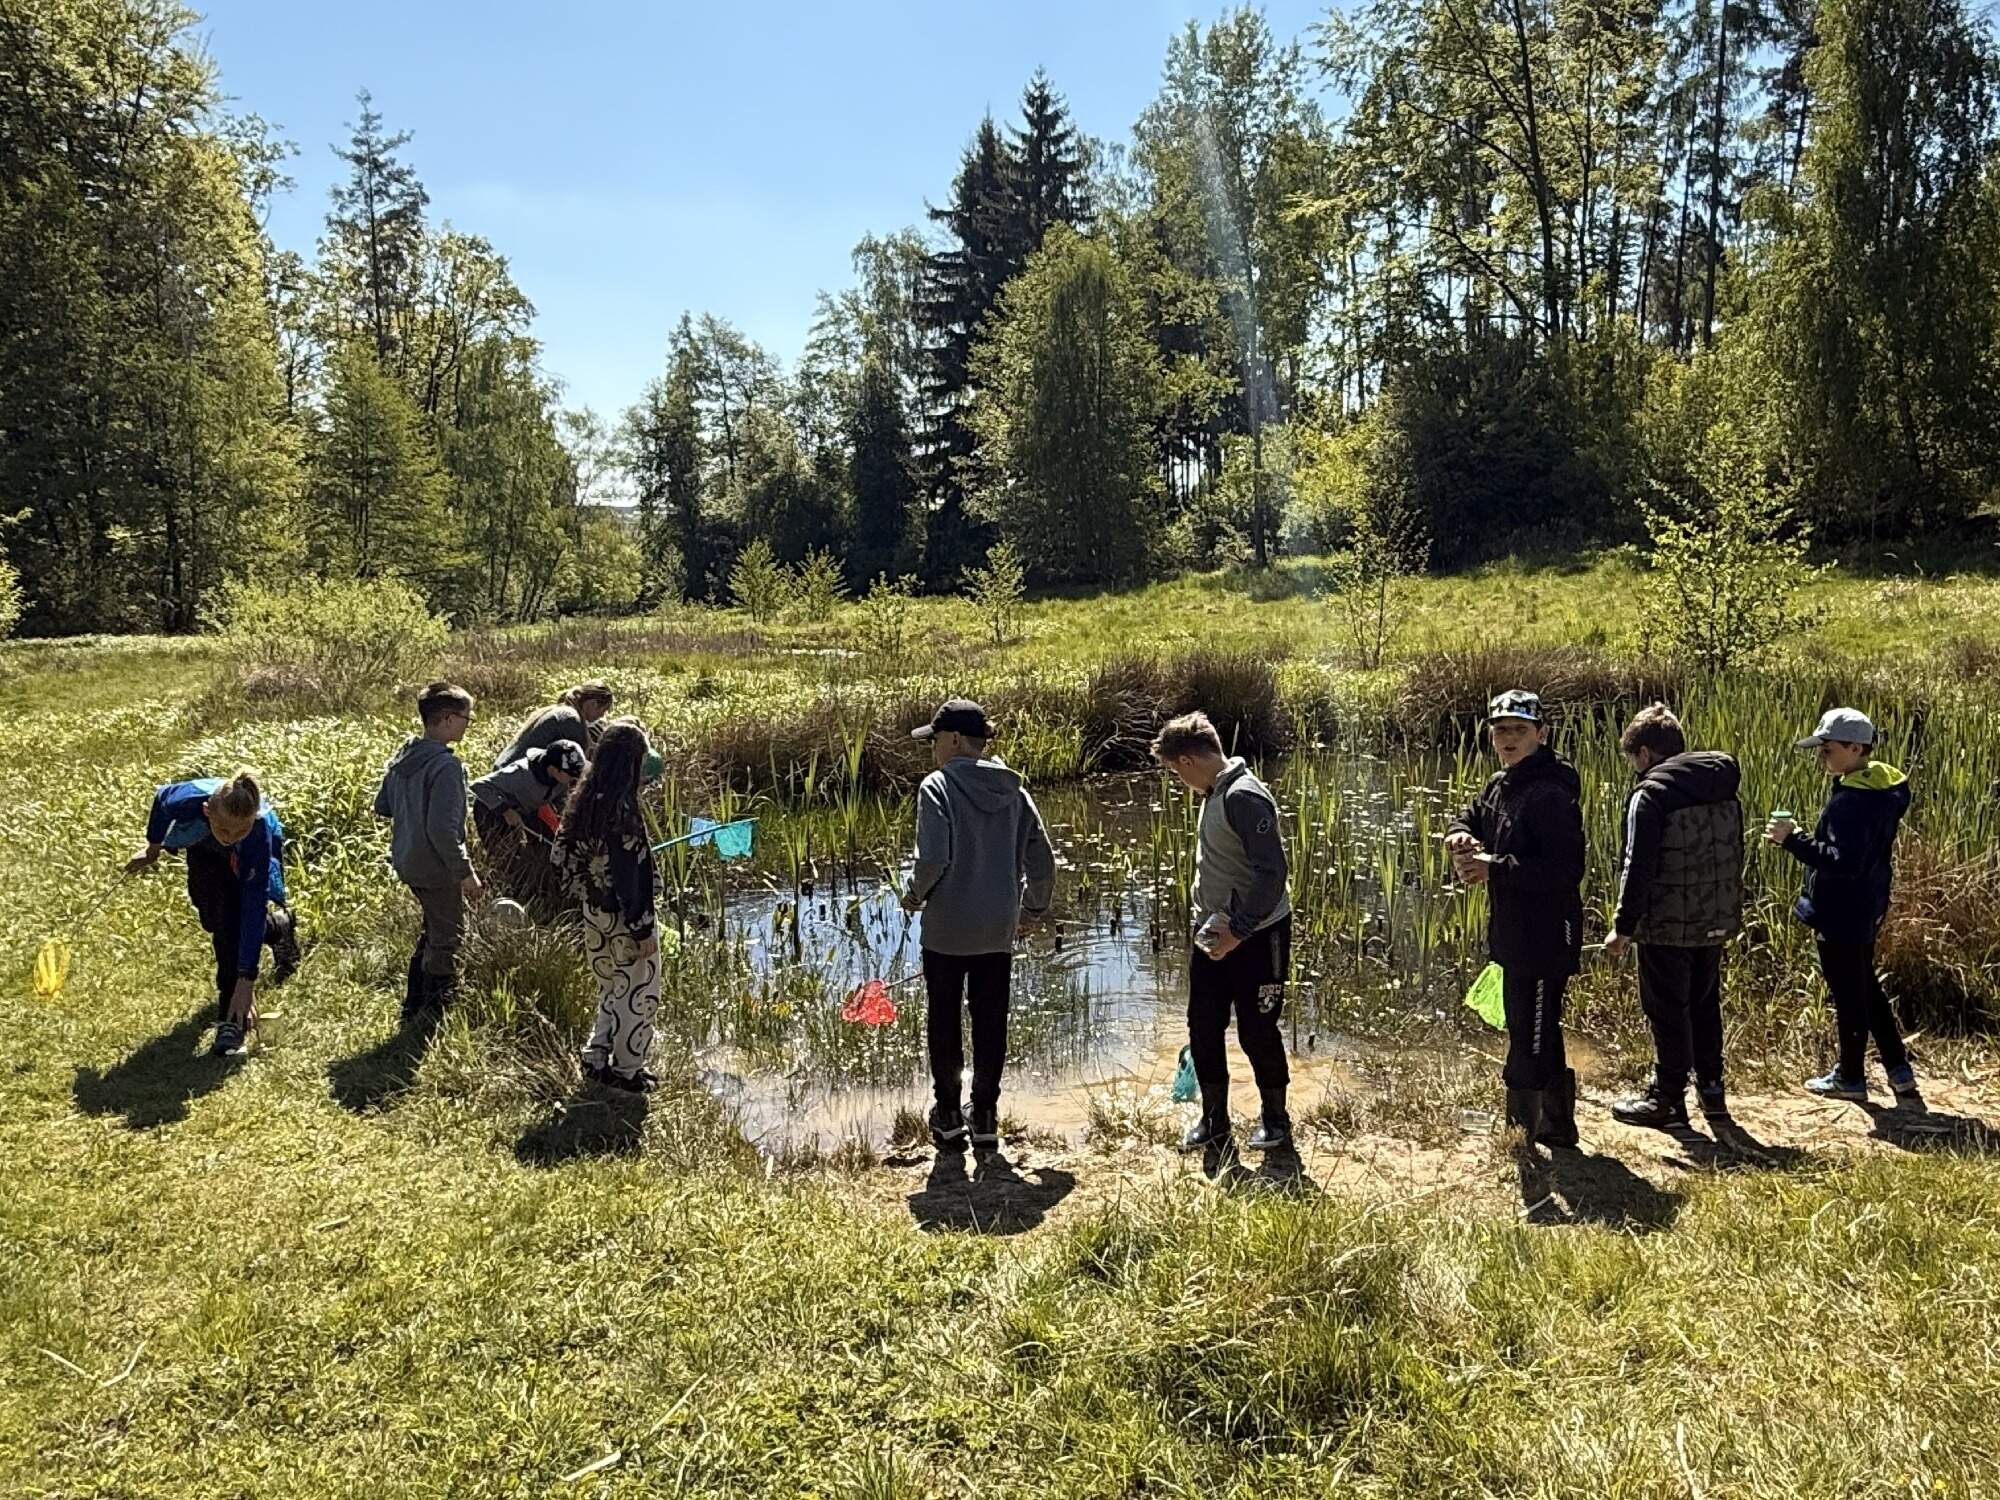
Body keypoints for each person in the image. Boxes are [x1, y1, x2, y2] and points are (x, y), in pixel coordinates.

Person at [901, 698, 1055, 1149]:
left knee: (944, 1019)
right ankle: (985, 1114)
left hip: (947, 929)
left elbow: (932, 858)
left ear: (952, 740)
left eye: (934, 741)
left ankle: (948, 1114)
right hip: (997, 931)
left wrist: (914, 895)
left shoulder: (937, 786)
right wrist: (1032, 911)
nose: (932, 751)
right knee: (991, 1021)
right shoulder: (1015, 792)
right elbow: (1042, 861)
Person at [1447, 690, 1586, 1154]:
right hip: (1512, 933)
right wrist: (1461, 834)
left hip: (1548, 935)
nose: (1507, 739)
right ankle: (1554, 1127)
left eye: (1519, 730)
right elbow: (1470, 814)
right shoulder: (1501, 783)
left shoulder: (1550, 793)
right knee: (1529, 1028)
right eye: (1500, 730)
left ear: (1541, 734)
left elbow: (1565, 872)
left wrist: (1494, 868)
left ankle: (1521, 1135)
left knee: (1532, 1033)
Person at [1153, 710, 1293, 1155]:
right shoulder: (1216, 791)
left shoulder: (1245, 797)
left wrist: (1239, 928)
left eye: (1177, 773)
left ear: (1190, 761)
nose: (1179, 781)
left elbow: (1272, 874)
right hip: (1214, 932)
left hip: (1256, 934)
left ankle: (1276, 1121)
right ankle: (1214, 1121)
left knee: (1257, 1030)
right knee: (1203, 1024)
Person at [1604, 704, 1745, 1130]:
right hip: (1714, 917)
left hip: (1665, 924)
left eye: (1633, 761)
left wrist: (1622, 928)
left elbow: (1638, 866)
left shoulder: (1650, 795)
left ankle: (1665, 1098)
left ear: (1645, 754)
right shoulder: (1720, 783)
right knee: (1704, 1005)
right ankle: (1712, 1089)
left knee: (1666, 1009)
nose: (1634, 769)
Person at [1766, 707, 1918, 1102]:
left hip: (1842, 910)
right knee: (1865, 986)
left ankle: (1851, 1077)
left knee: (1849, 993)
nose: (1822, 757)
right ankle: (1899, 1069)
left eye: (1828, 749)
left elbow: (1843, 861)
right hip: (1869, 902)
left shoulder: (1850, 802)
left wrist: (1793, 839)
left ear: (1855, 748)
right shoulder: (1883, 788)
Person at [125, 770, 300, 1056]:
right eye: (225, 830)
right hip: (203, 846)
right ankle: (278, 927)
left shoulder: (257, 832)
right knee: (213, 917)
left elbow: (253, 907)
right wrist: (153, 848)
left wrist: (247, 980)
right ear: (207, 811)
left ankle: (231, 1023)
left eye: (239, 830)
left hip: (248, 858)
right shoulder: (186, 801)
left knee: (230, 928)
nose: (231, 837)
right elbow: (160, 799)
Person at [552, 719, 662, 1092]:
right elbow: (630, 875)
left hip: (594, 914)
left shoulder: (583, 800)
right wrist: (642, 926)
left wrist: (586, 891)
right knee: (639, 994)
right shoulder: (623, 810)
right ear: (631, 763)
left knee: (610, 988)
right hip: (625, 920)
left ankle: (595, 1057)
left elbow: (560, 856)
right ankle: (627, 1071)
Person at [374, 681, 481, 1022]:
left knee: (432, 927)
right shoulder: (446, 766)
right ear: (448, 719)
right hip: (436, 867)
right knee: (449, 935)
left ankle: (413, 1001)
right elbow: (442, 830)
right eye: (467, 717)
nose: (469, 722)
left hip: (407, 859)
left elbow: (383, 805)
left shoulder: (405, 756)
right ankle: (434, 1009)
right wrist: (465, 872)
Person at [469, 739, 585, 904]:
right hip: (492, 812)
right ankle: (510, 893)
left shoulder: (560, 779)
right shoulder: (519, 774)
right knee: (508, 857)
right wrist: (505, 810)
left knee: (547, 846)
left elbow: (559, 800)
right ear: (553, 769)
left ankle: (546, 888)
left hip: (526, 809)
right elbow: (479, 786)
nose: (575, 777)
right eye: (571, 774)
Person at [493, 682, 615, 770]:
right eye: (603, 710)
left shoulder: (558, 711)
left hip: (506, 772)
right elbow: (573, 767)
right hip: (517, 781)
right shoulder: (570, 720)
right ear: (593, 704)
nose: (602, 715)